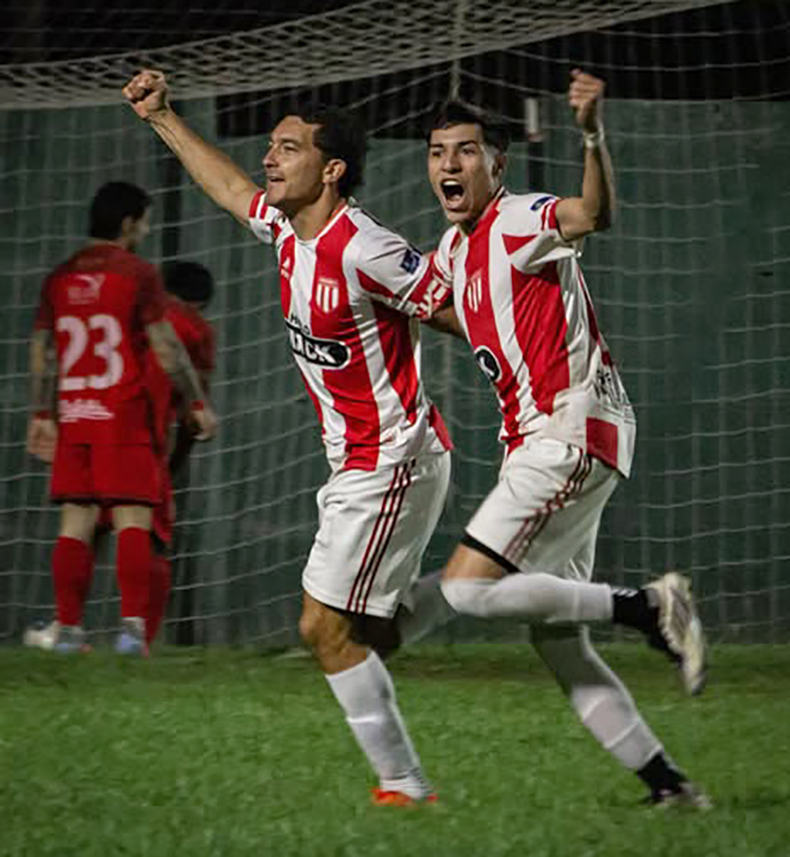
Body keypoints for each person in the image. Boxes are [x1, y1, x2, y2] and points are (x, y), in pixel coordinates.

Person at [122, 70, 455, 805]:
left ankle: (404, 786)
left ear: (331, 169)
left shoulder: (365, 248)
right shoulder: (285, 230)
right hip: (359, 462)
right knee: (372, 632)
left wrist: (533, 378)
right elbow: (229, 186)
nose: (269, 158)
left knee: (321, 628)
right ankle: (493, 586)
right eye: (271, 146)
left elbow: (456, 309)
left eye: (289, 148)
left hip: (391, 458)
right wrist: (163, 116)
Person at [424, 71, 711, 808]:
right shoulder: (455, 252)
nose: (449, 165)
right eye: (437, 152)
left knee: (464, 588)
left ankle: (648, 606)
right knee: (556, 637)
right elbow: (455, 311)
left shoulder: (519, 218)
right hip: (545, 441)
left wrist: (590, 133)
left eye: (465, 151)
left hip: (568, 429)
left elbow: (593, 213)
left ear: (497, 164)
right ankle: (671, 788)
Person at [26, 182, 217, 656]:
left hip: (76, 412)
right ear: (129, 223)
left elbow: (42, 352)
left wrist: (42, 413)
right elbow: (166, 347)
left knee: (76, 520)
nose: (146, 231)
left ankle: (69, 632)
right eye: (145, 222)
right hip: (123, 413)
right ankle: (132, 632)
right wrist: (197, 402)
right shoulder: (137, 274)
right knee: (135, 516)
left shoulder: (60, 277)